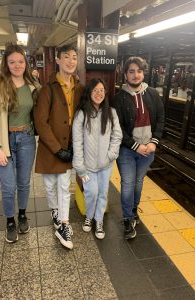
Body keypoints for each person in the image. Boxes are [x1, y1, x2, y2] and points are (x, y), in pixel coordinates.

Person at [0, 43, 40, 243]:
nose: (17, 65)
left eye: (20, 61)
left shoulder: (32, 85)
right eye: (12, 62)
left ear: (26, 63)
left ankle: (22, 214)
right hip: (4, 142)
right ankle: (9, 221)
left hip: (27, 139)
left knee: (23, 183)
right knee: (8, 186)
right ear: (6, 63)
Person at [33, 44, 84, 250]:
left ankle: (63, 224)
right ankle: (55, 211)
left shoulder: (80, 88)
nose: (71, 61)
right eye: (66, 57)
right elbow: (40, 122)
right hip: (50, 147)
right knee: (50, 186)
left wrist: (75, 146)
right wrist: (57, 148)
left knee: (64, 186)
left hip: (69, 147)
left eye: (74, 57)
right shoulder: (48, 89)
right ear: (58, 60)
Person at [113, 56, 164, 240]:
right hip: (127, 150)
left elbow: (160, 119)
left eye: (139, 71)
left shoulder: (152, 94)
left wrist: (153, 142)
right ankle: (127, 219)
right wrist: (136, 146)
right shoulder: (118, 98)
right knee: (127, 184)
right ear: (125, 74)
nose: (136, 75)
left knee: (138, 183)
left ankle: (134, 210)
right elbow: (117, 128)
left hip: (148, 150)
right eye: (132, 71)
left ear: (144, 73)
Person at [72, 78, 122, 239]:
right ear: (89, 93)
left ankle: (98, 220)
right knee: (91, 192)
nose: (99, 93)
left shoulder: (111, 113)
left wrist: (111, 155)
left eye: (102, 90)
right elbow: (77, 141)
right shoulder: (81, 114)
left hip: (105, 165)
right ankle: (89, 216)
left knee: (102, 192)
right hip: (87, 166)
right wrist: (79, 166)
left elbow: (117, 136)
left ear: (105, 93)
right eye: (95, 90)